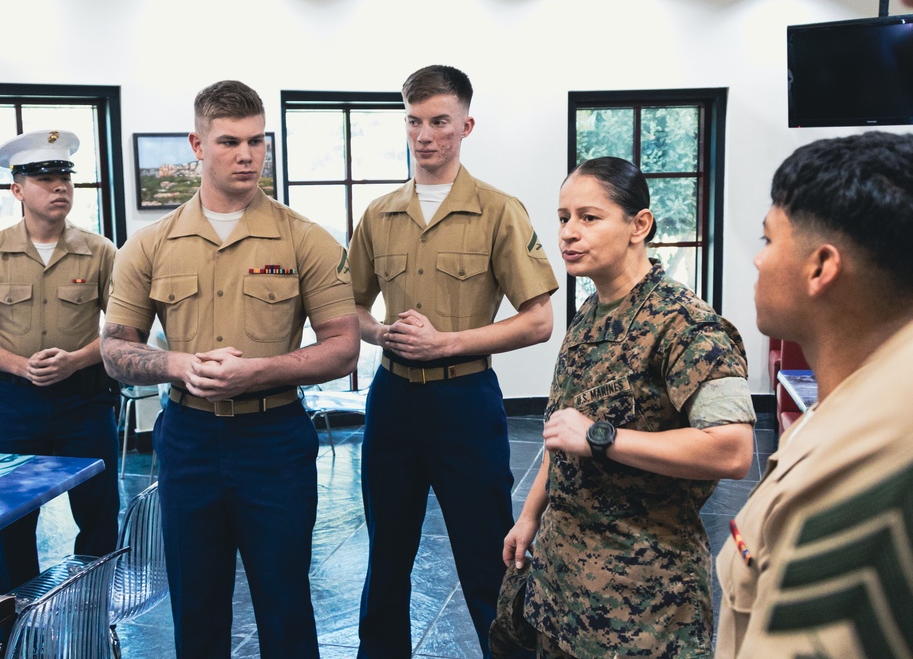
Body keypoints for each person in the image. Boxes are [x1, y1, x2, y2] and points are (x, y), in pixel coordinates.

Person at [100, 80, 359, 658]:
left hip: (274, 438)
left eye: (257, 141)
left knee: (285, 597)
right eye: (229, 142)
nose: (246, 155)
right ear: (197, 144)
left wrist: (258, 373)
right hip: (189, 439)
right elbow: (115, 349)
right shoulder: (150, 245)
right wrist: (176, 364)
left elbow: (344, 348)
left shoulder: (305, 240)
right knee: (196, 601)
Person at [504, 157, 757, 658]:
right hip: (563, 585)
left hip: (642, 603)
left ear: (639, 225)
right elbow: (562, 430)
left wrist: (602, 437)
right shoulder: (590, 315)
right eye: (563, 218)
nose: (569, 234)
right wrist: (530, 515)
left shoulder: (685, 325)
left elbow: (732, 450)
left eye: (589, 217)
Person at [348, 64, 559, 658]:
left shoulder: (499, 211)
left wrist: (446, 344)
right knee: (386, 556)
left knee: (487, 554)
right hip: (392, 401)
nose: (425, 135)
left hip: (464, 401)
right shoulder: (379, 213)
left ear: (465, 125)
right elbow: (349, 309)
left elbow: (539, 320)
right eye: (414, 122)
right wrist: (383, 333)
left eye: (439, 121)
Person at [715, 132, 913, 658]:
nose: (758, 263)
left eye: (768, 241)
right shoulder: (860, 401)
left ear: (821, 267)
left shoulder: (864, 460)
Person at [0, 129, 120, 595]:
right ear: (17, 189)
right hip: (16, 402)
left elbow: (126, 332)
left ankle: (92, 612)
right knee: (11, 520)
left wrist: (77, 359)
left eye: (64, 176)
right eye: (44, 178)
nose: (59, 186)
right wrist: (20, 366)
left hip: (84, 399)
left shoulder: (101, 252)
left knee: (99, 513)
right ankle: (16, 621)